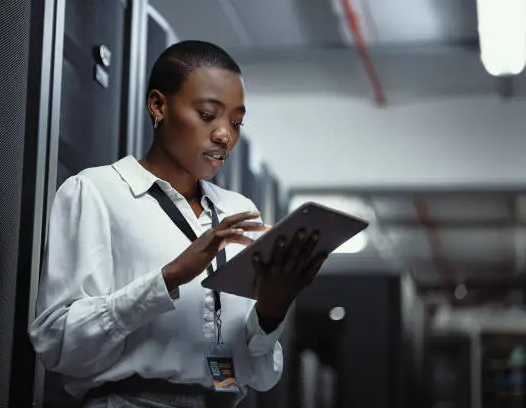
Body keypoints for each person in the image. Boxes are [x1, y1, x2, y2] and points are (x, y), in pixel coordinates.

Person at [29, 40, 327, 408]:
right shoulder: (95, 192)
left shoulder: (240, 209)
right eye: (207, 115)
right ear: (159, 105)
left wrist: (272, 310)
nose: (225, 135)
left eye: (236, 122)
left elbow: (262, 375)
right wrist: (169, 277)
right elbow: (58, 346)